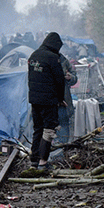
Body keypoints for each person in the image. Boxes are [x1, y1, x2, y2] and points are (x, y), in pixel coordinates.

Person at [27, 31, 67, 170]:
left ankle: (34, 159)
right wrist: (60, 99)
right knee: (49, 129)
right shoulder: (52, 57)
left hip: (34, 99)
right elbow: (59, 80)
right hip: (48, 100)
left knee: (37, 129)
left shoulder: (34, 55)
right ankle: (43, 162)